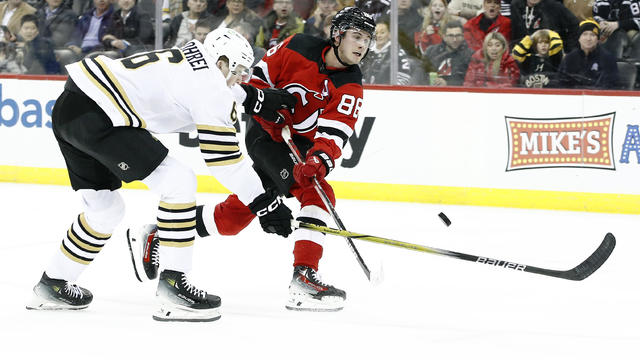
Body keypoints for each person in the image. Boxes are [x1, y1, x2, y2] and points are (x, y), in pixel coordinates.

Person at [25, 28, 297, 322]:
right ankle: (173, 287)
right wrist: (265, 204)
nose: (242, 78)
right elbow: (225, 161)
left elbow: (220, 86)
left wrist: (256, 99)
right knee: (178, 182)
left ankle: (52, 283)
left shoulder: (197, 57)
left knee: (105, 210)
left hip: (72, 106)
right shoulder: (212, 88)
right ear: (221, 62)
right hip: (101, 116)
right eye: (239, 70)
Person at [128, 7, 377, 312]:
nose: (362, 45)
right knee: (318, 195)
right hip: (265, 136)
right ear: (337, 35)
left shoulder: (351, 83)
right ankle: (303, 279)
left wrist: (319, 160)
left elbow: (336, 131)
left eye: (366, 39)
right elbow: (257, 78)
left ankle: (161, 234)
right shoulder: (298, 45)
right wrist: (267, 109)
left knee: (233, 218)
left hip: (297, 147)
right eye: (357, 36)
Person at [558, 18, 619, 88]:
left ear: (598, 39)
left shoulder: (608, 59)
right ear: (579, 38)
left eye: (592, 35)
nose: (588, 38)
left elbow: (611, 85)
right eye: (584, 34)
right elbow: (561, 83)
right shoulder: (569, 58)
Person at [509, 0, 579, 53]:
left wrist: (568, 48)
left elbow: (575, 26)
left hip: (550, 57)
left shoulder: (554, 7)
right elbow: (515, 33)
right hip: (523, 55)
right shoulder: (516, 6)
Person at [361, 19, 414, 84]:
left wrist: (388, 91)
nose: (379, 36)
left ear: (389, 34)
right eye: (376, 33)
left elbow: (404, 78)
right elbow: (360, 74)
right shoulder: (366, 52)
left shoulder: (398, 52)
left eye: (382, 32)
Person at [424, 19, 473, 86]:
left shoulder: (470, 55)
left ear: (463, 37)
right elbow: (421, 73)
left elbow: (471, 81)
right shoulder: (431, 51)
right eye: (451, 36)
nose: (455, 40)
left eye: (458, 36)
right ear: (444, 37)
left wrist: (448, 83)